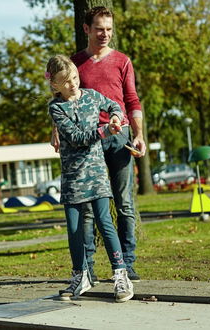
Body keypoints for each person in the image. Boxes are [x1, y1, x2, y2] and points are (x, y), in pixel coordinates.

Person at [52, 6, 145, 282]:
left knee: (124, 202)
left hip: (118, 138)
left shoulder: (122, 61)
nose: (105, 34)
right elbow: (61, 100)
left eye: (109, 29)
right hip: (86, 144)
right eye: (99, 29)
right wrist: (55, 128)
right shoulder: (75, 63)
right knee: (88, 206)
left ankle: (126, 264)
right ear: (86, 29)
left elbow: (131, 100)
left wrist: (138, 134)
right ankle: (88, 267)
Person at [46, 55, 134, 303]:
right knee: (74, 229)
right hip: (73, 178)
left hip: (96, 174)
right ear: (55, 85)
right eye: (66, 81)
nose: (73, 84)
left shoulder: (93, 96)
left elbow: (114, 105)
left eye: (74, 77)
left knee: (105, 222)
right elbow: (76, 137)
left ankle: (120, 275)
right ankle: (80, 275)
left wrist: (115, 117)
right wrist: (105, 130)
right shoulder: (56, 108)